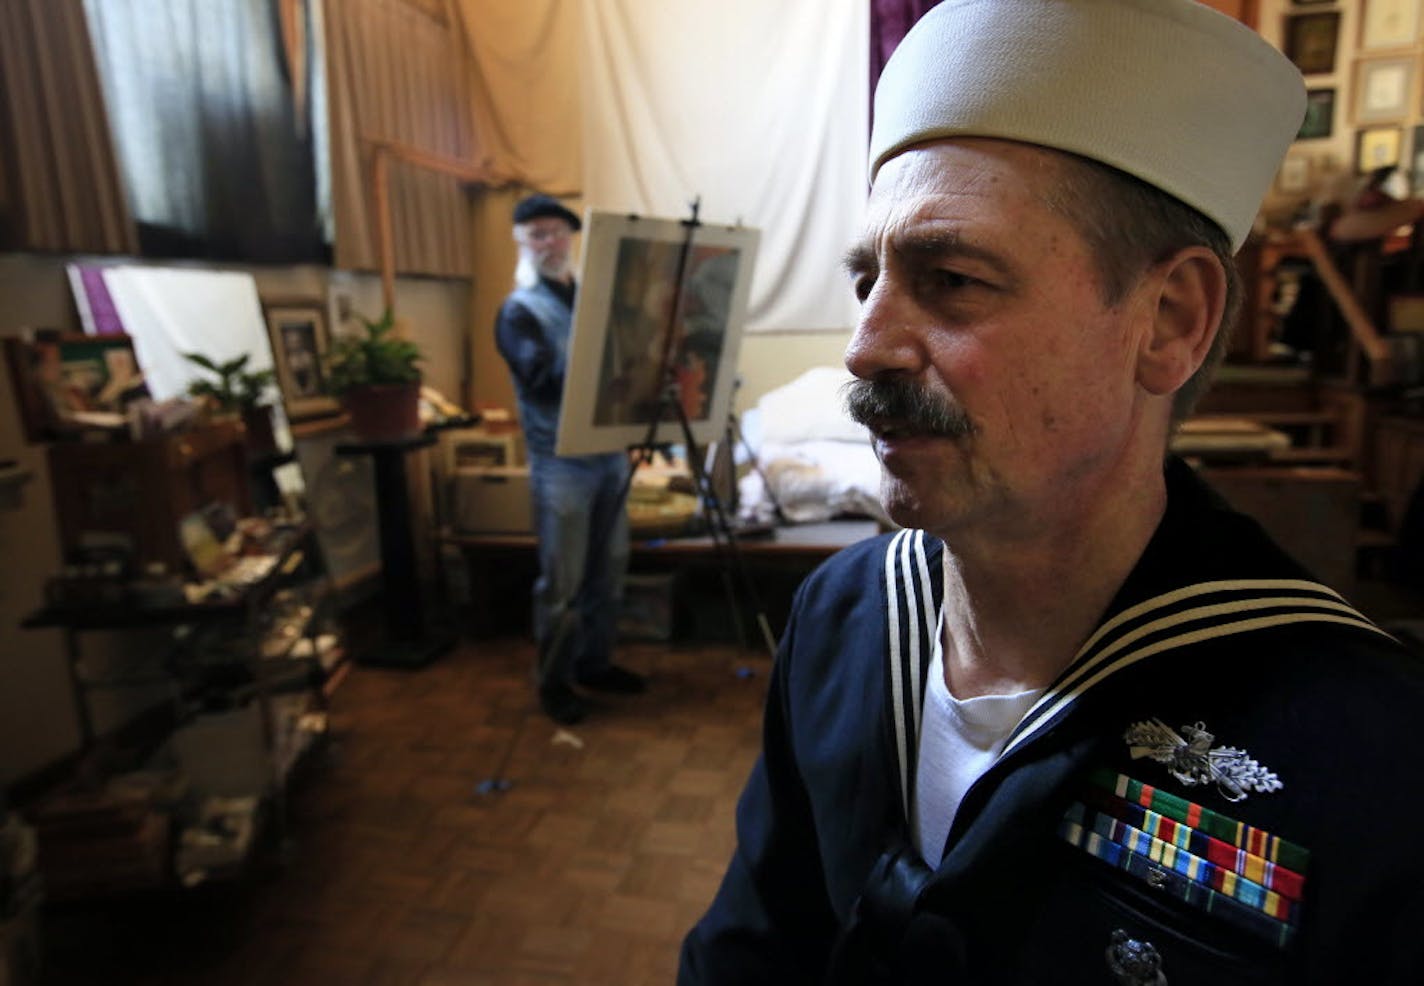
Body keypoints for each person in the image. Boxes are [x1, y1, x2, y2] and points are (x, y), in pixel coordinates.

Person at [679, 2, 1424, 983]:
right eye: (866, 278)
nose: (864, 343)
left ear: (1166, 321)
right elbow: (752, 948)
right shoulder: (842, 615)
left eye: (947, 277)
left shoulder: (1365, 750)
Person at [495, 193, 646, 725]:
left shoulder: (589, 299)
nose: (549, 242)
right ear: (522, 243)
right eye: (537, 234)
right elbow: (540, 379)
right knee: (562, 580)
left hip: (606, 455)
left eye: (557, 232)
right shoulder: (519, 311)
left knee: (609, 569)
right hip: (560, 464)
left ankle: (595, 663)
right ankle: (555, 683)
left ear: (570, 238)